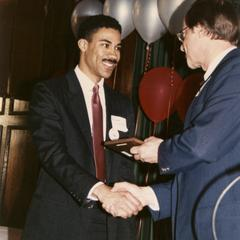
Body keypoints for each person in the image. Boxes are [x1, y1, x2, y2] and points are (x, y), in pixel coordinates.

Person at [112, 0, 240, 239]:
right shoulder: (221, 77)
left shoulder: (235, 71)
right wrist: (144, 195)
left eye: (183, 34)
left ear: (201, 29)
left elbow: (202, 145)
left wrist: (159, 151)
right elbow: (200, 174)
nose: (181, 47)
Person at [22, 14, 142, 240]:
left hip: (112, 223)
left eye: (117, 47)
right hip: (62, 220)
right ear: (83, 45)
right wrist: (100, 191)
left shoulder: (122, 103)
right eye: (105, 45)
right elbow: (53, 155)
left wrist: (129, 199)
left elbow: (123, 165)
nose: (113, 54)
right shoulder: (50, 93)